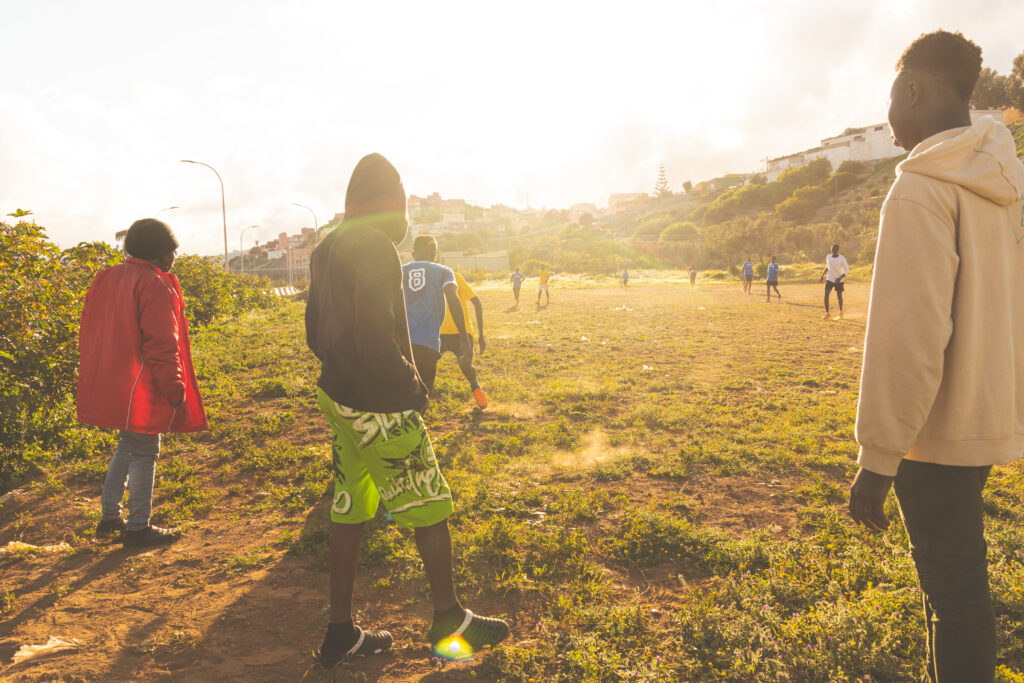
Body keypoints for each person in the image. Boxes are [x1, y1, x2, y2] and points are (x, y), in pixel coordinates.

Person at [848, 30, 1024, 683]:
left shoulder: (920, 186)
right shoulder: (1007, 177)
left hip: (934, 432)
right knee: (962, 591)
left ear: (915, 89)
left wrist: (877, 458)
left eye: (893, 95)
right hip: (987, 416)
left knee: (953, 600)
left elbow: (910, 337)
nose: (890, 115)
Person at [305, 154, 509, 667]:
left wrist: (346, 372)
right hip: (379, 399)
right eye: (402, 200)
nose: (405, 215)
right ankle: (449, 618)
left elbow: (314, 332)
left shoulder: (326, 246)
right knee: (430, 507)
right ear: (387, 200)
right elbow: (377, 335)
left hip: (338, 394)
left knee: (349, 510)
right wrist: (412, 387)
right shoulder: (374, 245)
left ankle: (340, 632)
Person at [77, 218, 208, 547]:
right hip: (141, 383)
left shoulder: (107, 278)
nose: (175, 256)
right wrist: (175, 388)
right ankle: (137, 526)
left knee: (128, 443)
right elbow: (162, 343)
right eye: (172, 250)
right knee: (146, 448)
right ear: (162, 256)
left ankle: (109, 518)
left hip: (113, 379)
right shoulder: (154, 284)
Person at [401, 234, 471, 394]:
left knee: (402, 396)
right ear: (435, 253)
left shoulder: (400, 271)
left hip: (401, 345)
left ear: (413, 254)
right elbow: (454, 301)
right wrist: (464, 338)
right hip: (427, 344)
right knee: (423, 394)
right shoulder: (443, 271)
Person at [439, 269, 488, 409]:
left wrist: (481, 336)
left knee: (465, 365)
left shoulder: (455, 277)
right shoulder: (427, 279)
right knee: (423, 364)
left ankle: (475, 387)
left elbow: (477, 302)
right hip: (438, 333)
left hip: (461, 332)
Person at [819, 244, 849, 318]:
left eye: (835, 249)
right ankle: (827, 313)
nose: (834, 250)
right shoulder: (828, 257)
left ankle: (841, 312)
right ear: (831, 249)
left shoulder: (841, 258)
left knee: (839, 296)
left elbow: (847, 269)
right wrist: (822, 275)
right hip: (830, 279)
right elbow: (827, 267)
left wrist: (840, 278)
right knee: (826, 295)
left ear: (838, 250)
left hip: (839, 280)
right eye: (832, 249)